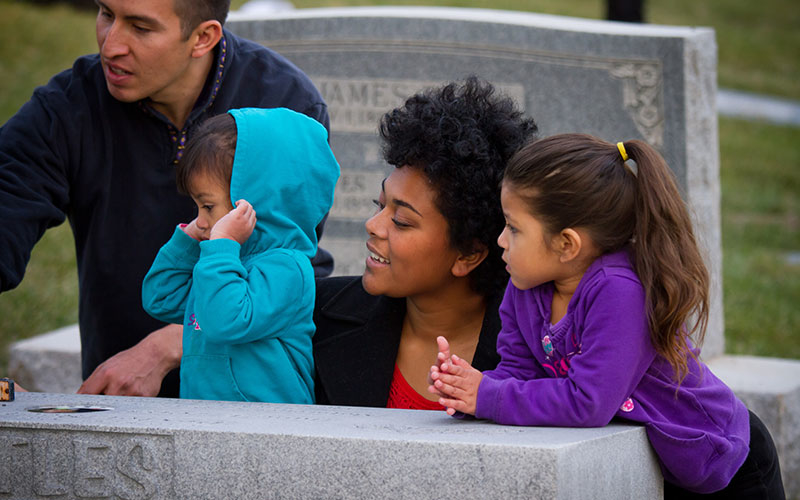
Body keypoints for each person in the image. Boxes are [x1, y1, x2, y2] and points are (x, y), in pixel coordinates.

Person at [0, 0, 333, 398]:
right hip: (115, 398)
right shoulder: (67, 106)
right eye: (106, 14)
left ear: (203, 37)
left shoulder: (282, 104)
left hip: (252, 404)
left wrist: (166, 345)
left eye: (140, 27)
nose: (110, 46)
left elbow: (288, 266)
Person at [429, 134, 785, 497]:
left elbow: (588, 403)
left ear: (567, 244)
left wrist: (489, 396)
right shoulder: (525, 289)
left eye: (514, 228)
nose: (501, 240)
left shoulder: (619, 291)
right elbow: (517, 374)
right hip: (662, 463)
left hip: (722, 459)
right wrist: (466, 393)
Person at [313, 77, 538, 409]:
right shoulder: (317, 315)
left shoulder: (537, 354)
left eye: (402, 221)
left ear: (469, 253)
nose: (372, 225)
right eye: (380, 205)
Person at [142, 108, 338, 403]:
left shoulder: (287, 268)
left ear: (256, 203)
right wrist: (188, 240)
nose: (202, 220)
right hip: (208, 421)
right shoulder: (220, 262)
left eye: (207, 207)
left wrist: (221, 247)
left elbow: (227, 322)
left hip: (269, 431)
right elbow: (161, 297)